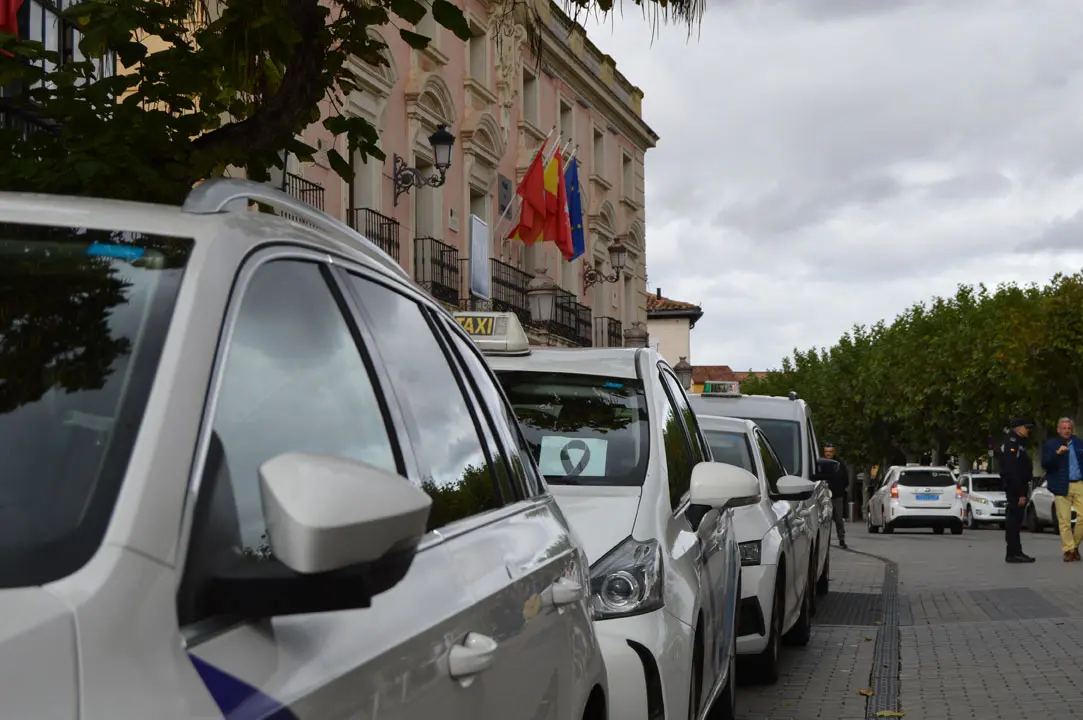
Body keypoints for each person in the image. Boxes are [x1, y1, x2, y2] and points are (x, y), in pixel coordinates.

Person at [1040, 417, 1083, 562]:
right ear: (1058, 430)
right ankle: (1069, 550)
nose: (1067, 431)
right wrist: (1057, 453)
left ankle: (1074, 546)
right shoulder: (1051, 444)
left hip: (1078, 483)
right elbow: (1045, 464)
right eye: (1064, 428)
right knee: (1064, 520)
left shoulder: (1078, 443)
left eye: (1069, 428)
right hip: (1060, 484)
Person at [1000, 418, 1036, 563]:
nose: (1028, 431)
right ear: (1018, 428)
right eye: (1026, 428)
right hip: (1015, 488)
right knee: (1014, 521)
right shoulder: (1012, 443)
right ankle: (1014, 552)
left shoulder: (1018, 443)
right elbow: (1012, 470)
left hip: (1018, 486)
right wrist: (1020, 492)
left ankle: (1015, 551)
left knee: (1016, 521)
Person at [823, 443, 848, 550]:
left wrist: (839, 489)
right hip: (823, 496)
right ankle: (824, 541)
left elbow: (846, 479)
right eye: (826, 452)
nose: (828, 454)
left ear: (834, 453)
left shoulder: (840, 464)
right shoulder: (821, 464)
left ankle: (841, 539)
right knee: (824, 519)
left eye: (830, 452)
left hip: (837, 495)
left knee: (838, 519)